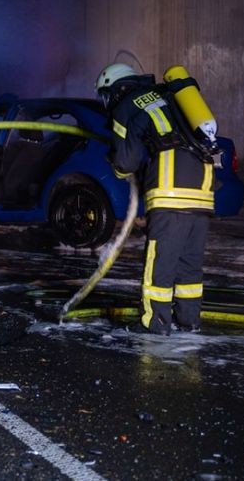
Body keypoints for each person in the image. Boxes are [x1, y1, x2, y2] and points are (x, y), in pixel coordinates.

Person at [96, 62, 216, 335]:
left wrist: (115, 164)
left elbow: (126, 162)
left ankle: (155, 322)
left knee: (160, 261)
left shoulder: (126, 106)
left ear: (115, 89)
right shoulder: (167, 94)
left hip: (170, 186)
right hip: (202, 185)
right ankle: (189, 321)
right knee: (189, 262)